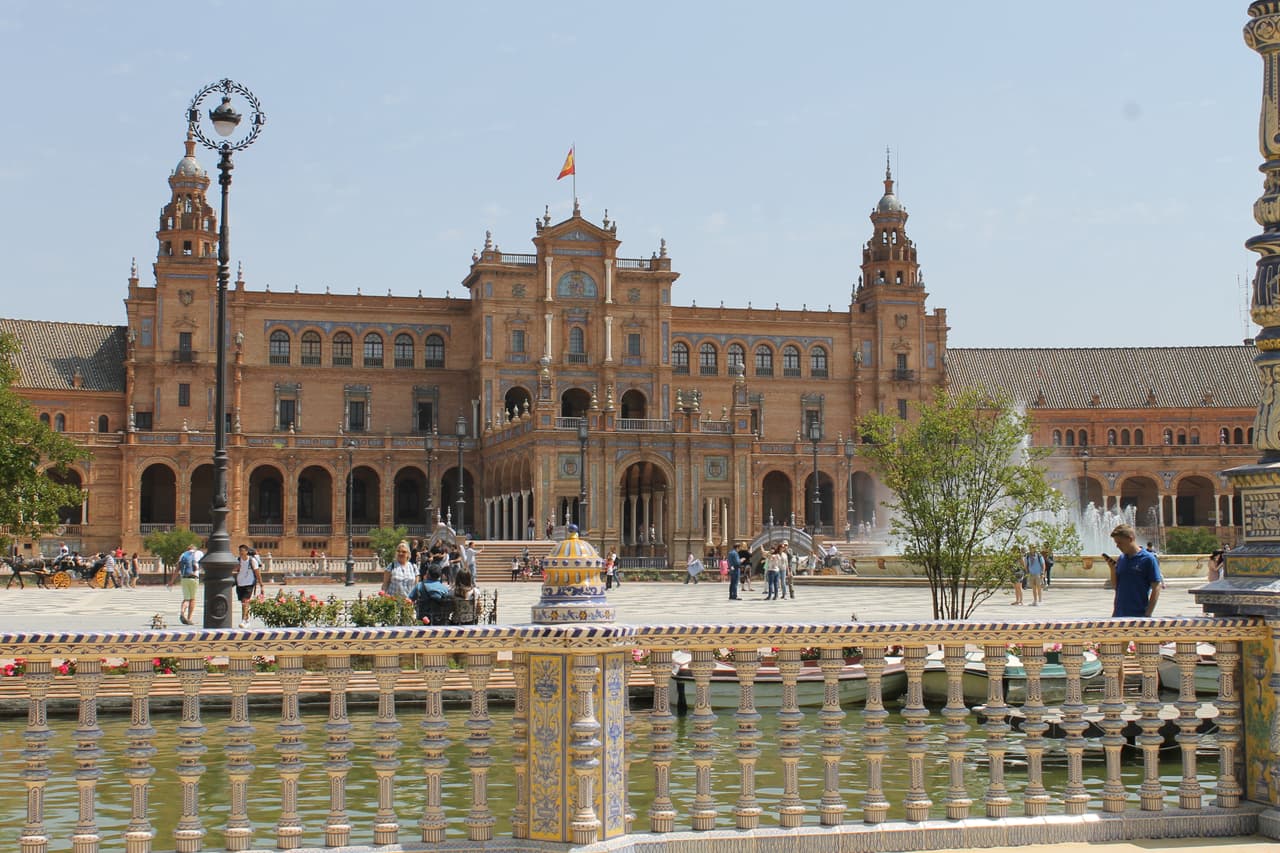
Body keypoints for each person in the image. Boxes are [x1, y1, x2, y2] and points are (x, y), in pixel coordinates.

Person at [1104, 523, 1162, 617]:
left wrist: (1148, 613)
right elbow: (1116, 587)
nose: (1117, 546)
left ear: (1130, 539)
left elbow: (1156, 587)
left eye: (1119, 543)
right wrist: (1112, 569)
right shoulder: (1122, 559)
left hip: (1138, 615)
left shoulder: (1148, 559)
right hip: (1118, 615)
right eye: (1116, 543)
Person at [235, 544, 262, 628]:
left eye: (242, 551)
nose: (241, 552)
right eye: (239, 551)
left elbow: (257, 572)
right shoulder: (238, 560)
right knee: (243, 603)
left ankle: (243, 620)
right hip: (240, 583)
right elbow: (236, 569)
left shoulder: (252, 560)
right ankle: (247, 620)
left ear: (246, 551)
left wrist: (261, 584)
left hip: (249, 583)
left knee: (245, 601)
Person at [176, 544, 199, 625]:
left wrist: (171, 581)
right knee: (192, 599)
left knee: (186, 598)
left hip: (184, 578)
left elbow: (177, 568)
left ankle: (182, 612)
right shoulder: (195, 554)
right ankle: (189, 618)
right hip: (193, 579)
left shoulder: (183, 555)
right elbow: (195, 567)